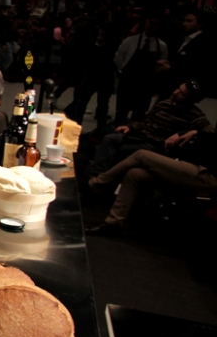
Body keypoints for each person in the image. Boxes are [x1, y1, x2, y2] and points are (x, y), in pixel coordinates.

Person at [85, 130, 217, 236]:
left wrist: (197, 133)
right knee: (136, 174)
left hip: (209, 177)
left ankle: (96, 184)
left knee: (142, 155)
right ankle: (113, 223)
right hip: (194, 168)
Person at [87, 80, 212, 177]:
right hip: (141, 137)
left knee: (112, 149)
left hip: (156, 145)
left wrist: (190, 132)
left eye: (182, 93)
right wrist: (130, 127)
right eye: (178, 89)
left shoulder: (195, 115)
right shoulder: (164, 104)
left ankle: (99, 180)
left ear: (191, 100)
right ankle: (96, 177)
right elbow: (145, 122)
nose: (175, 92)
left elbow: (210, 131)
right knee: (108, 138)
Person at [113, 17, 167, 124]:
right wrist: (124, 70)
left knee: (139, 114)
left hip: (146, 84)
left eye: (155, 24)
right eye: (150, 23)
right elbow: (118, 57)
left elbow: (162, 64)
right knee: (121, 112)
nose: (151, 27)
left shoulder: (161, 46)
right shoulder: (130, 41)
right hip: (128, 81)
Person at [156, 9, 213, 96]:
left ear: (200, 24)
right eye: (184, 20)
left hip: (184, 91)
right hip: (172, 87)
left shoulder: (204, 43)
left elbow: (197, 69)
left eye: (189, 21)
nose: (184, 24)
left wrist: (170, 69)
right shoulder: (181, 39)